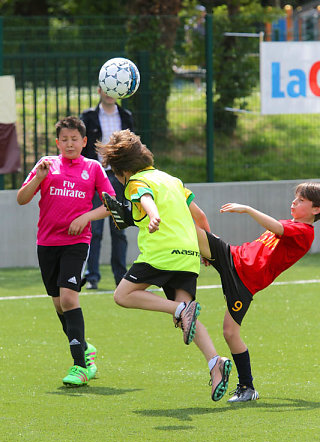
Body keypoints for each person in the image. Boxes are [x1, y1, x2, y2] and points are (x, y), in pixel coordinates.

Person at [98, 129, 232, 402]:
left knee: (122, 295)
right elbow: (200, 215)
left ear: (122, 170)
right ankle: (215, 363)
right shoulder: (172, 179)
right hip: (188, 256)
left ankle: (179, 308)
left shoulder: (135, 182)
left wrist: (153, 215)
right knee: (187, 321)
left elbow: (145, 198)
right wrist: (208, 250)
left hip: (161, 253)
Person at [195, 182, 320, 402]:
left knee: (230, 333)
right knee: (191, 231)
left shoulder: (303, 233)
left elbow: (276, 229)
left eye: (301, 200)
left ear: (316, 210)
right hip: (233, 259)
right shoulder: (289, 224)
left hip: (244, 282)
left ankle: (247, 388)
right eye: (296, 198)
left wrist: (248, 209)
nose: (294, 202)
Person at [16, 116, 116, 387]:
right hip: (46, 244)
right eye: (64, 139)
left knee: (70, 299)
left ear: (84, 142)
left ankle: (81, 366)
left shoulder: (93, 167)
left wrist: (86, 218)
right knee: (59, 304)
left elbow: (110, 204)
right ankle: (85, 347)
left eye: (75, 139)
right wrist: (38, 177)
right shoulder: (46, 165)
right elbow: (21, 199)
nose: (69, 144)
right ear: (57, 142)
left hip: (76, 242)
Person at [80, 88, 134, 289]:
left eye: (114, 88)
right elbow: (83, 148)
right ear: (99, 90)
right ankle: (92, 276)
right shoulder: (89, 117)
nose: (110, 93)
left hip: (120, 178)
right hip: (96, 177)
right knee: (95, 229)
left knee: (119, 229)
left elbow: (132, 147)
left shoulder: (126, 117)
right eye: (106, 88)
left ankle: (121, 277)